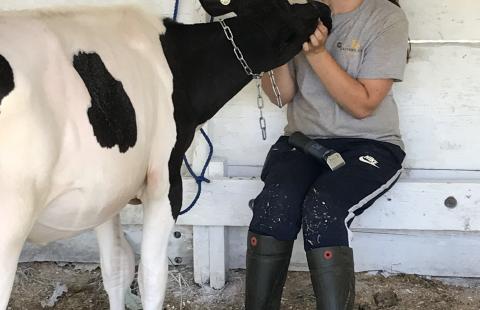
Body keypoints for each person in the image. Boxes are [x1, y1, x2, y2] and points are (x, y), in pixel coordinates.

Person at [244, 0, 409, 309]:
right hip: (305, 142)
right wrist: (279, 42)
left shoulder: (384, 16)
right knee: (273, 206)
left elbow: (363, 105)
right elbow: (283, 96)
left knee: (324, 206)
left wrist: (317, 53)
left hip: (370, 144)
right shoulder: (301, 11)